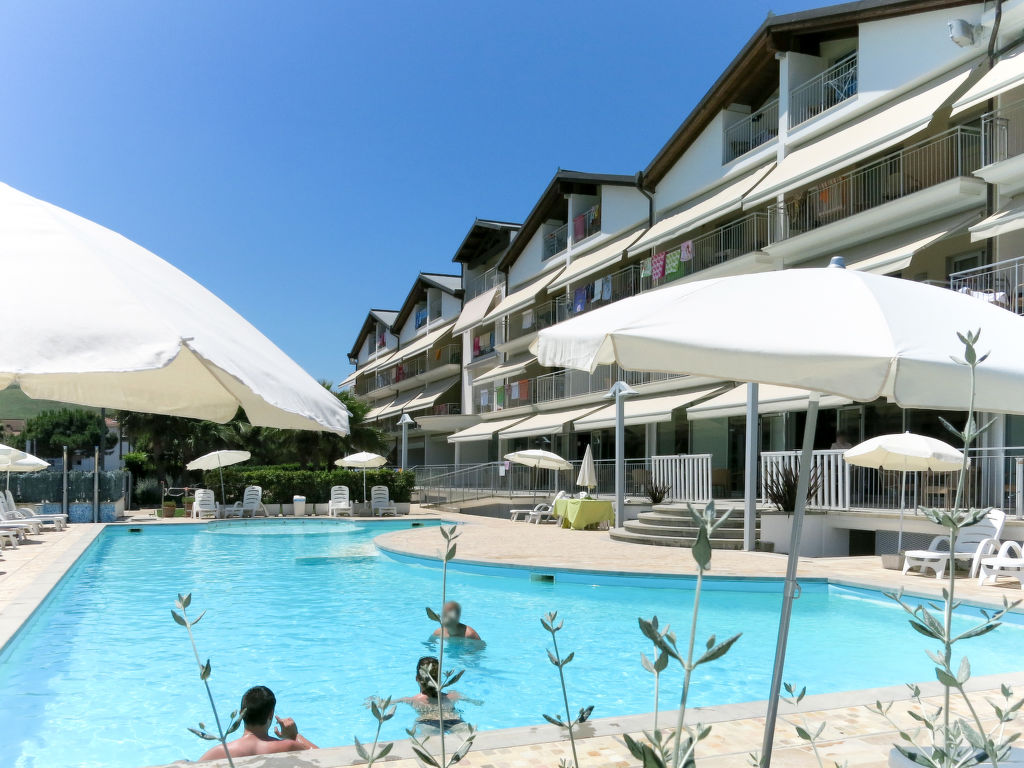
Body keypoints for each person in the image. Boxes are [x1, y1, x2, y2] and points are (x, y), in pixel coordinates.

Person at [199, 685, 317, 762]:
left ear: (241, 714)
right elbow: (324, 758)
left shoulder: (219, 752)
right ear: (270, 714)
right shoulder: (289, 747)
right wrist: (295, 736)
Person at [395, 656, 479, 733]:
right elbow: (477, 703)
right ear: (439, 679)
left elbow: (390, 703)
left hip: (428, 723)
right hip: (454, 720)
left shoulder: (412, 700)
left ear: (417, 678)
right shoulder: (453, 695)